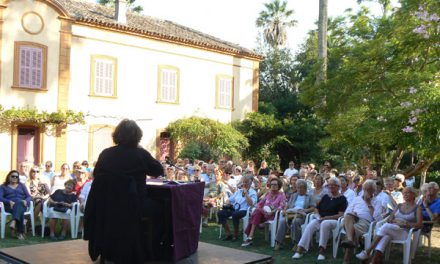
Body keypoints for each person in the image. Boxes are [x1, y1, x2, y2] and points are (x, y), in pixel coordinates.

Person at [84, 119, 163, 264]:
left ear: (117, 135)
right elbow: (158, 170)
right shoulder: (140, 154)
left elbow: (97, 176)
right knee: (163, 207)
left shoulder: (105, 154)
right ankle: (153, 250)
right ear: (137, 136)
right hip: (133, 206)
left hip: (107, 207)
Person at [356, 187, 423, 263]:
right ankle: (374, 261)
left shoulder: (417, 208)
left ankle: (368, 251)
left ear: (413, 194)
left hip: (404, 233)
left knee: (386, 227)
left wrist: (407, 224)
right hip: (393, 229)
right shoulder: (399, 205)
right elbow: (389, 219)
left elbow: (420, 225)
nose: (405, 195)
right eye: (404, 193)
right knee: (385, 236)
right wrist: (396, 221)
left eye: (407, 192)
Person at [292, 177, 347, 260]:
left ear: (338, 187)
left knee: (325, 224)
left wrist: (326, 218)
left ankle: (322, 250)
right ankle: (300, 249)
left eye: (333, 185)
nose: (331, 187)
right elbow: (316, 208)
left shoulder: (342, 199)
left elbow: (341, 214)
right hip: (321, 218)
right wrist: (317, 215)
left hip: (334, 221)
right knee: (311, 224)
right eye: (329, 185)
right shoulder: (325, 197)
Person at [340, 180, 383, 263]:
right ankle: (350, 240)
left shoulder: (377, 201)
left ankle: (347, 256)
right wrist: (353, 213)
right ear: (363, 189)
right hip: (352, 219)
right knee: (348, 216)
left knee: (354, 228)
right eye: (367, 189)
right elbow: (346, 212)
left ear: (374, 190)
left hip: (366, 222)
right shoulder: (356, 199)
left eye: (371, 189)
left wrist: (369, 204)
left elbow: (378, 219)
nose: (369, 191)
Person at [242, 177, 286, 247]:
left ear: (279, 186)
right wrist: (258, 207)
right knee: (257, 211)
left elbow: (281, 207)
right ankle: (250, 236)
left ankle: (250, 236)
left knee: (256, 213)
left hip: (272, 215)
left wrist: (272, 212)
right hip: (263, 215)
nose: (273, 186)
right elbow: (260, 204)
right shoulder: (268, 194)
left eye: (275, 184)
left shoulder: (281, 195)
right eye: (272, 184)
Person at [275, 179, 314, 250]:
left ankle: (296, 243)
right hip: (291, 213)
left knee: (295, 221)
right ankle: (279, 242)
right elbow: (288, 204)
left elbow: (313, 208)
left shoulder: (309, 196)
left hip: (301, 215)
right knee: (282, 221)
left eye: (300, 187)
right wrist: (284, 210)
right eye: (297, 187)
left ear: (305, 188)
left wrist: (305, 210)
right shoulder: (294, 195)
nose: (298, 189)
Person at [217, 175, 257, 242]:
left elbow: (251, 203)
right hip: (235, 208)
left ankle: (236, 235)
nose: (244, 184)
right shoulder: (239, 191)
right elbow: (230, 199)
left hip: (245, 210)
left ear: (250, 183)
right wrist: (228, 202)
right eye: (243, 182)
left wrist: (246, 193)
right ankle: (228, 234)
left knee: (235, 214)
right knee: (220, 213)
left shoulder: (253, 192)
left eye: (246, 182)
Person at [0, 170, 32, 240]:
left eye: (16, 177)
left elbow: (29, 196)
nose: (15, 178)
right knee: (19, 208)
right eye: (13, 176)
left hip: (22, 204)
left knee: (19, 204)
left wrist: (26, 201)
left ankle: (14, 221)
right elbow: (0, 197)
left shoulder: (22, 185)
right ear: (9, 177)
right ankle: (20, 232)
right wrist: (9, 201)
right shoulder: (3, 186)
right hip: (9, 206)